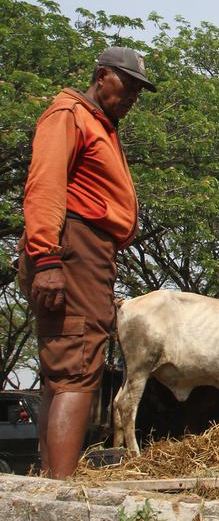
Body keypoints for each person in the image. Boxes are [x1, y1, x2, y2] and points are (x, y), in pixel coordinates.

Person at [18, 46, 155, 478]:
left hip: (86, 251)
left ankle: (49, 482)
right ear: (100, 76)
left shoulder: (100, 125)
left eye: (138, 89)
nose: (132, 95)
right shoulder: (69, 114)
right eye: (126, 84)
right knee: (77, 368)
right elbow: (45, 187)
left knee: (66, 368)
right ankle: (61, 489)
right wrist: (46, 259)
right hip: (72, 247)